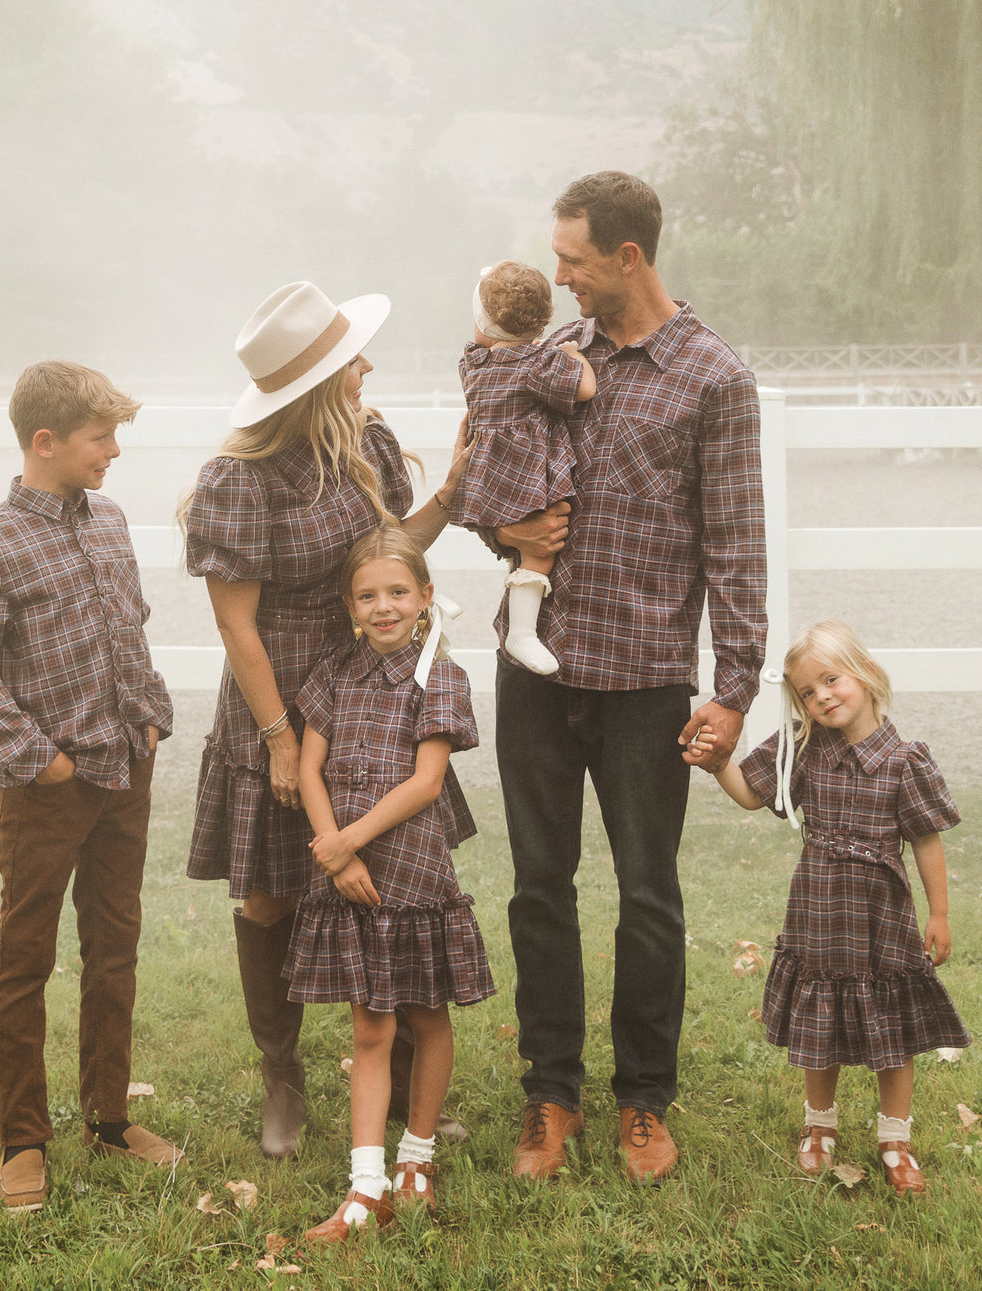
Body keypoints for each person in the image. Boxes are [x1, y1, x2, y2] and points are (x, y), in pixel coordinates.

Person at [482, 170, 767, 1184]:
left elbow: (736, 547)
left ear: (629, 257)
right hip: (535, 671)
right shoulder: (551, 359)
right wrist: (498, 530)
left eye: (575, 260)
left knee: (649, 896)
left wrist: (733, 688)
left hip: (646, 679)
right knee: (537, 889)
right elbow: (495, 485)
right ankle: (550, 1095)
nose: (558, 277)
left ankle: (644, 1100)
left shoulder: (714, 380)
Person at [181, 282, 472, 1159]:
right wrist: (276, 737)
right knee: (271, 893)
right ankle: (284, 1079)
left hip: (371, 695)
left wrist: (455, 490)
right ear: (311, 385)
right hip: (276, 698)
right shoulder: (237, 479)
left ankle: (403, 1073)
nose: (369, 368)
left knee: (386, 876)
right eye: (353, 361)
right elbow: (236, 623)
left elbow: (392, 558)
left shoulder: (365, 441)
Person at [0, 361, 181, 1213]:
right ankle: (23, 1141)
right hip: (49, 789)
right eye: (99, 438)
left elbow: (135, 629)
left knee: (114, 948)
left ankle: (110, 1120)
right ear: (45, 443)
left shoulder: (110, 521)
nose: (114, 452)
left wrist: (151, 717)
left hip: (127, 771)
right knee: (25, 959)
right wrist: (40, 760)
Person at [687, 619, 970, 1196]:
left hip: (881, 916)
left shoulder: (904, 760)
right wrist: (718, 762)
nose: (822, 698)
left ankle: (896, 1138)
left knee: (891, 1030)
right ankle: (819, 1128)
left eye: (831, 681)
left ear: (865, 675)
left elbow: (926, 840)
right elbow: (749, 793)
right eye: (807, 693)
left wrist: (938, 915)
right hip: (818, 910)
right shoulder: (803, 746)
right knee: (820, 1025)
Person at [282, 527, 494, 1244]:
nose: (383, 607)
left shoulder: (442, 677)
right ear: (350, 605)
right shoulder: (334, 673)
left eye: (398, 592)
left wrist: (351, 839)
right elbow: (311, 769)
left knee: (427, 1016)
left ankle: (417, 1162)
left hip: (412, 867)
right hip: (351, 874)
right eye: (368, 595)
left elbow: (427, 781)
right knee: (370, 1024)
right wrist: (335, 855)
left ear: (425, 598)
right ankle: (366, 1185)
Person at [449, 260, 596, 675]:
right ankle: (523, 631)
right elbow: (585, 389)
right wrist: (572, 354)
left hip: (487, 475)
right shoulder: (536, 364)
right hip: (524, 475)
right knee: (540, 551)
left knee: (527, 545)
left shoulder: (472, 365)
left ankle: (521, 632)